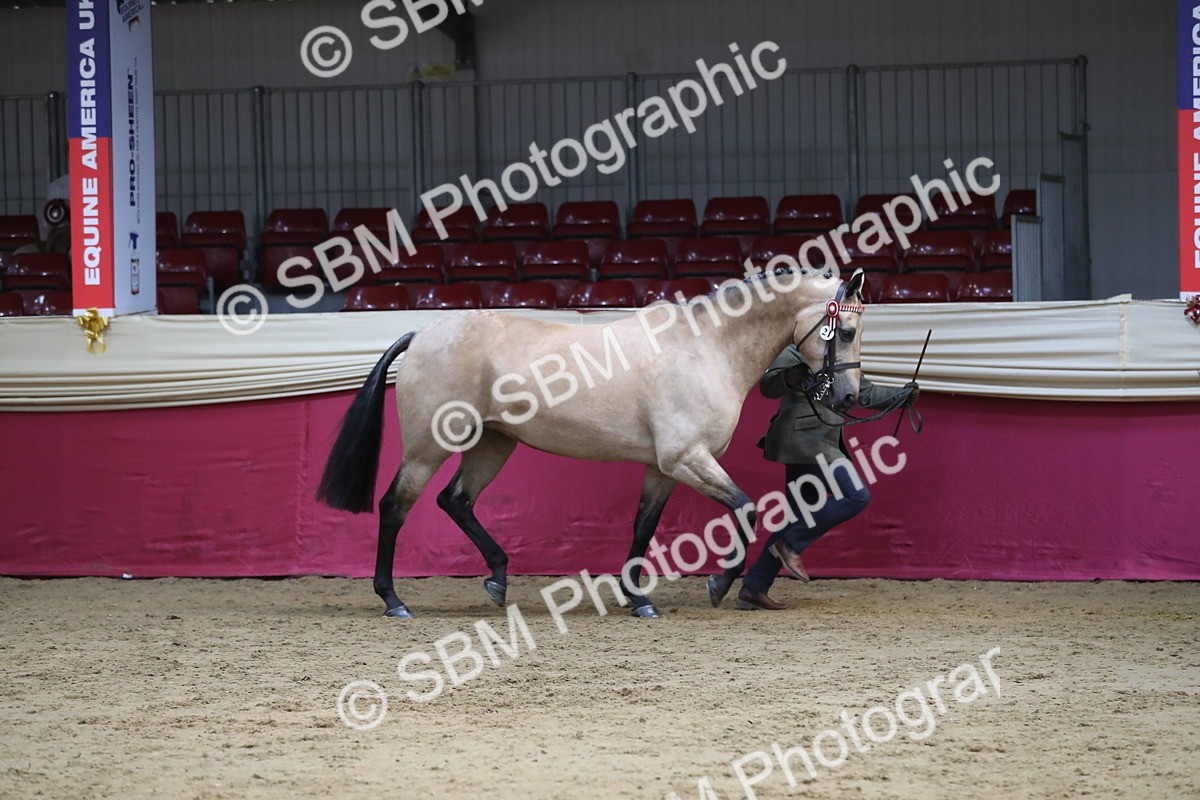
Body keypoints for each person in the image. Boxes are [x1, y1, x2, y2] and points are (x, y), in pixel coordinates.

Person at [737, 345, 918, 610]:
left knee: (798, 517)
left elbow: (863, 392)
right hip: (805, 441)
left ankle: (754, 587)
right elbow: (768, 385)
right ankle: (790, 545)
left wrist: (901, 396)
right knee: (856, 496)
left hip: (820, 442)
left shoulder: (841, 356)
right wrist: (789, 377)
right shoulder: (796, 351)